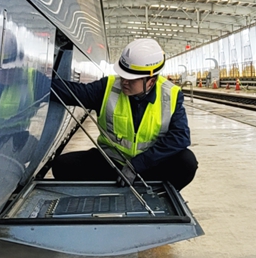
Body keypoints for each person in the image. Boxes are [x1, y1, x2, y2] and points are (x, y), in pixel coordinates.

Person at [48, 38, 198, 190]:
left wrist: (137, 165)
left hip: (148, 166)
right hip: (112, 163)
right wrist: (36, 80)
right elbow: (73, 92)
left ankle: (154, 192)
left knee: (186, 162)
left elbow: (180, 137)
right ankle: (122, 184)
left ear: (151, 81)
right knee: (62, 165)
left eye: (131, 79)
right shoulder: (107, 87)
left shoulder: (170, 95)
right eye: (123, 76)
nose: (124, 82)